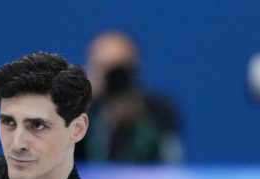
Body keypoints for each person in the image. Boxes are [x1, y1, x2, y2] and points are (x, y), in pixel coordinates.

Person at [78, 31, 182, 163]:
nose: (114, 79)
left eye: (119, 70)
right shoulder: (78, 114)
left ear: (135, 71)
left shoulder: (160, 111)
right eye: (103, 68)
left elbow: (170, 164)